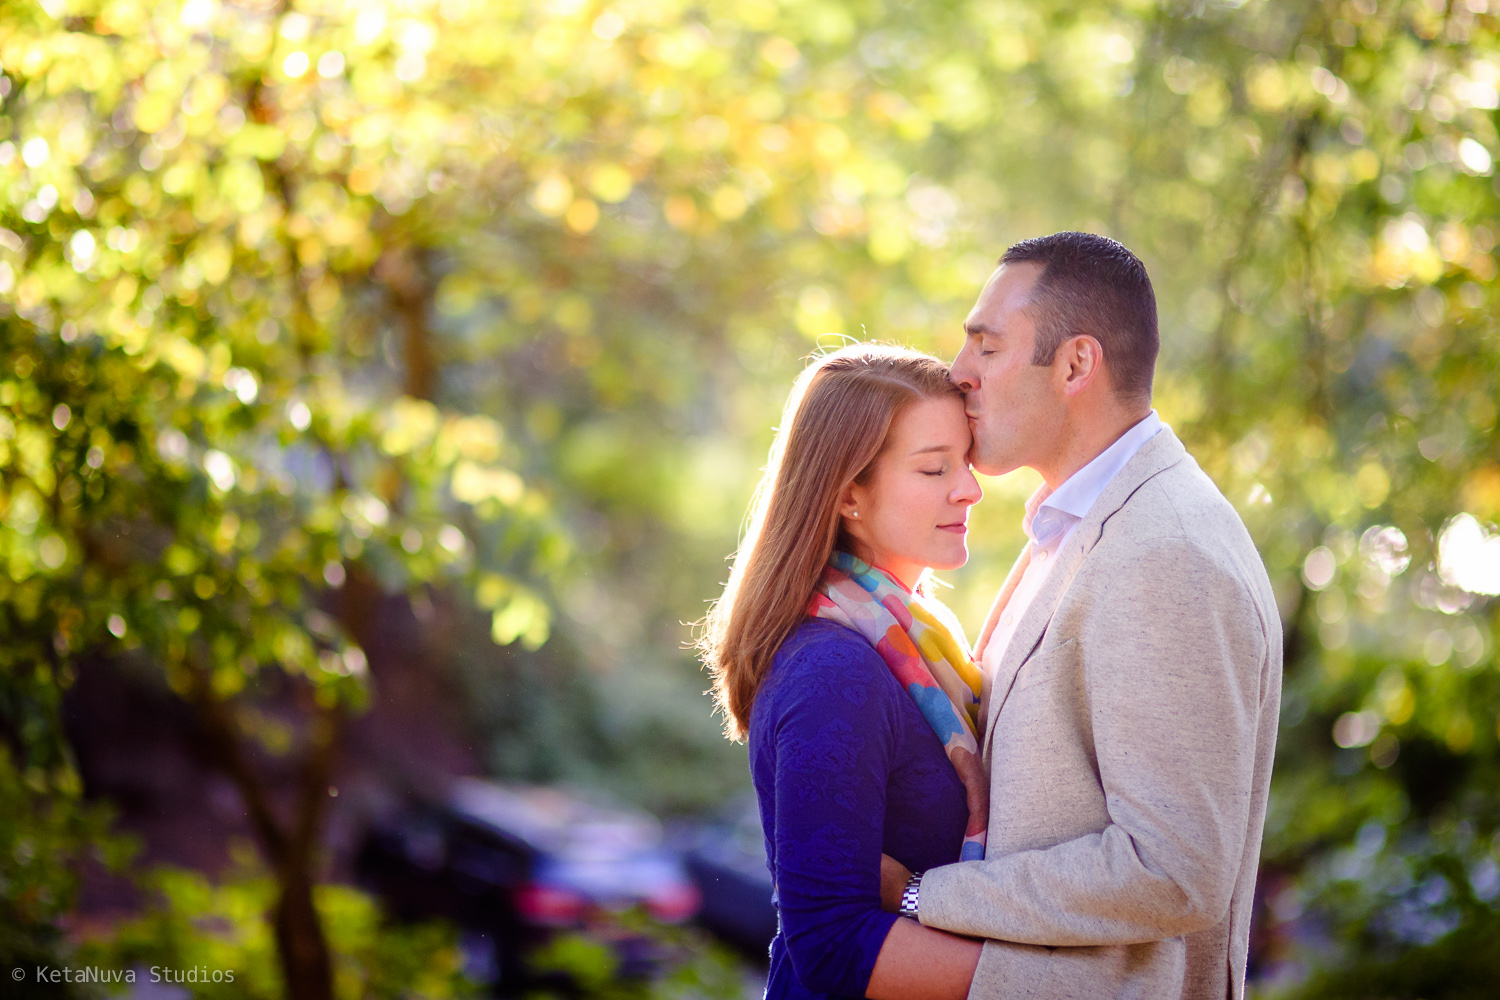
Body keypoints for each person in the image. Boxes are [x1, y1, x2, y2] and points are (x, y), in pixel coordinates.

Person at [881, 232, 1283, 1000]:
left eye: (987, 349)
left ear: (1075, 364)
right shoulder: (1076, 526)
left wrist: (920, 898)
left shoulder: (1168, 551)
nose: (958, 373)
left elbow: (1173, 870)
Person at [699, 344, 988, 1000]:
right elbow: (832, 943)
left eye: (966, 461)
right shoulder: (833, 673)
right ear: (850, 494)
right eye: (934, 468)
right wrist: (1065, 981)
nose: (969, 488)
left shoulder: (921, 651)